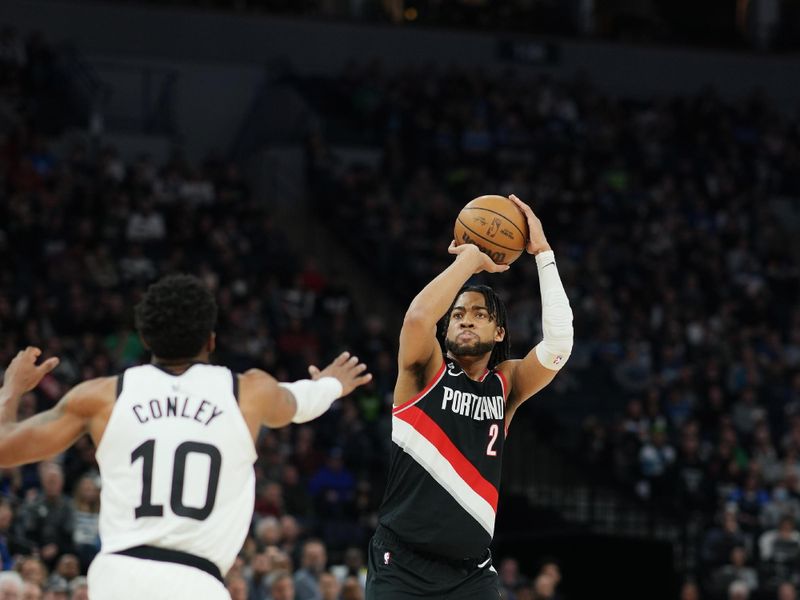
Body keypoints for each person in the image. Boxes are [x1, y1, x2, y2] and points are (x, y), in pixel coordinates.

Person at [0, 274, 372, 600]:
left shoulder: (100, 397)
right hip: (197, 581)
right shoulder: (249, 392)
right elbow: (301, 401)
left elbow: (5, 448)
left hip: (118, 577)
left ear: (144, 337)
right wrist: (331, 385)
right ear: (211, 340)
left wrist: (11, 389)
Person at [365, 195, 573, 598]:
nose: (465, 320)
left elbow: (560, 344)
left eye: (479, 315)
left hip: (471, 575)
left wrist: (543, 253)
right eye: (458, 315)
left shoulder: (505, 384)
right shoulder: (426, 369)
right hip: (401, 566)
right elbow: (418, 318)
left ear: (499, 333)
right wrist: (470, 260)